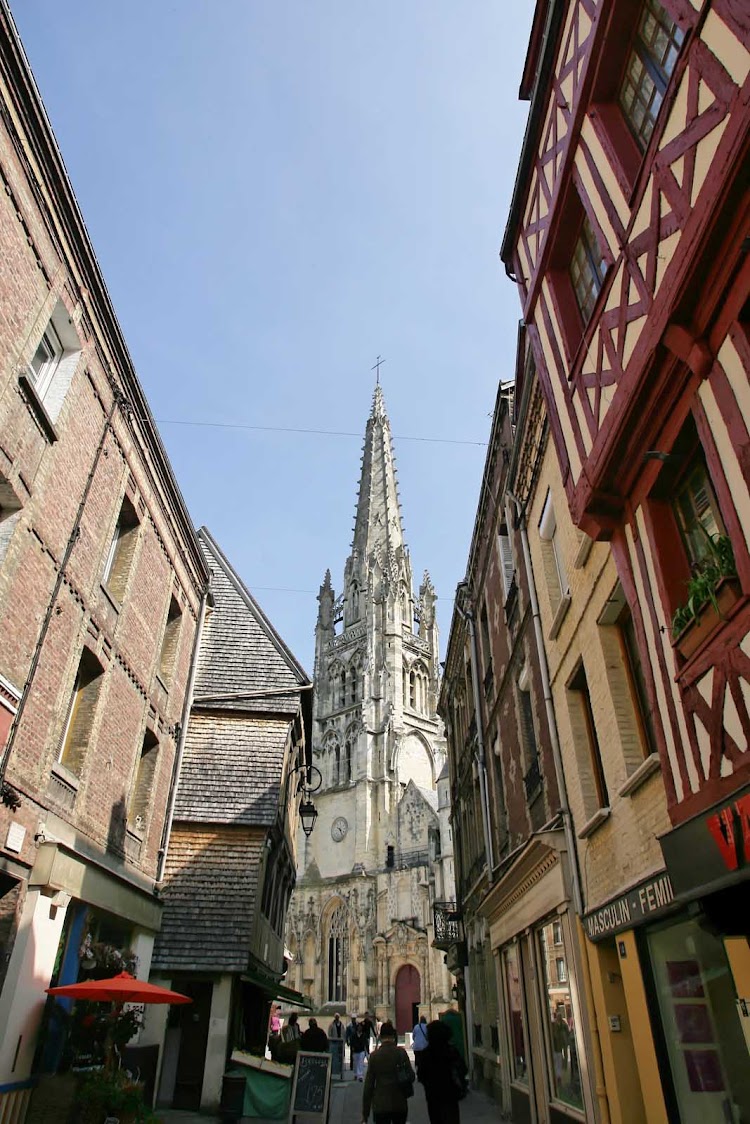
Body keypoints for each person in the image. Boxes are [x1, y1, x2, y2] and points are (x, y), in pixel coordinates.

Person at [361, 1020, 414, 1123]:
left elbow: (368, 1086)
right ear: (393, 1036)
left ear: (380, 1037)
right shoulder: (401, 1053)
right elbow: (411, 1076)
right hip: (399, 1103)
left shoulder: (374, 1056)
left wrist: (365, 1113)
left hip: (381, 1104)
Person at [418, 1020, 467, 1124]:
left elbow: (421, 1076)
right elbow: (463, 1069)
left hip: (433, 1097)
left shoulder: (426, 1054)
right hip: (451, 1095)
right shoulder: (452, 1051)